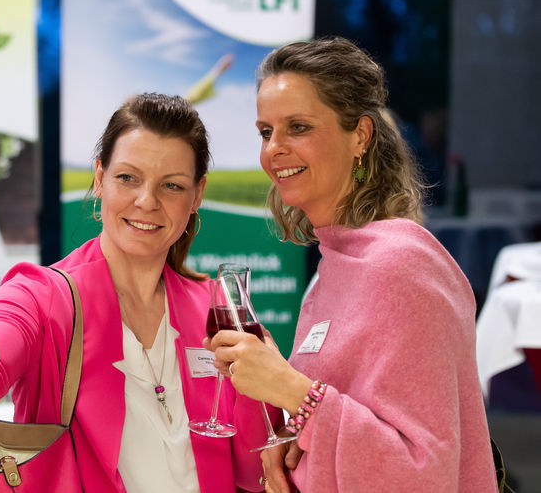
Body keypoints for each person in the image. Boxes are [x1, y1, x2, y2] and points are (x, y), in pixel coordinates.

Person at [0, 93, 270, 492]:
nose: (146, 201)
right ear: (99, 178)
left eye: (172, 186)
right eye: (128, 178)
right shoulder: (40, 297)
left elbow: (253, 473)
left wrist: (260, 385)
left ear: (197, 195)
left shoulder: (215, 306)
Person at [206, 38, 497, 492]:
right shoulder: (337, 262)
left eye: (297, 127)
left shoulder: (403, 267)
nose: (273, 150)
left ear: (360, 135)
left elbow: (424, 469)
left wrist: (290, 389)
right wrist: (288, 426)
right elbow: (339, 413)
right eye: (266, 132)